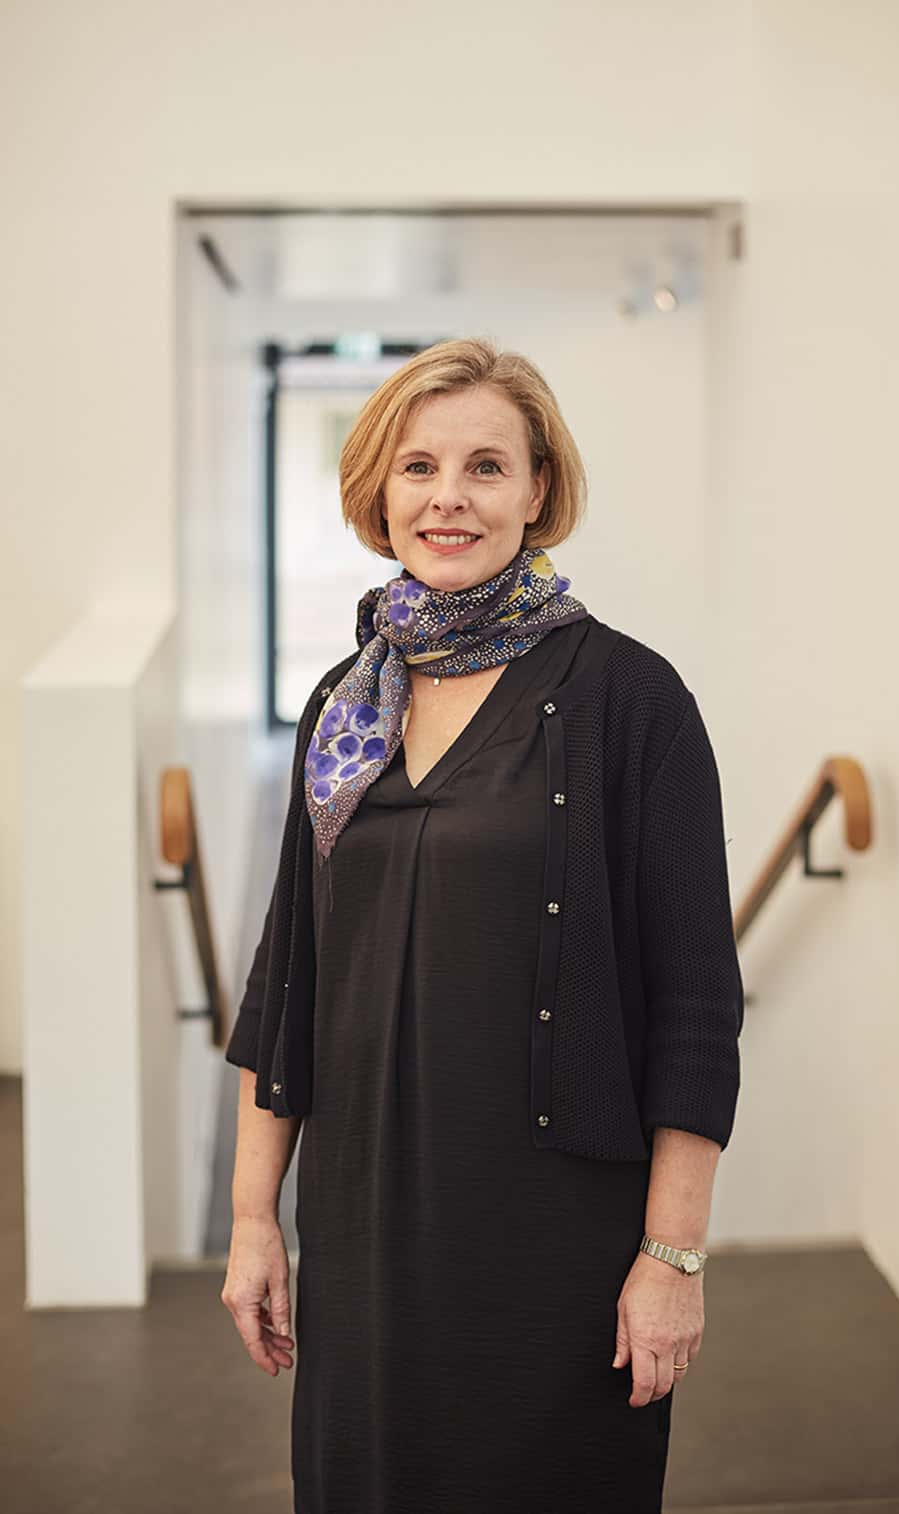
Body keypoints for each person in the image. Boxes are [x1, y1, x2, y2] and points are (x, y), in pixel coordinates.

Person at [220, 336, 744, 1514]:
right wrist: (255, 1219)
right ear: (378, 490)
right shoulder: (343, 703)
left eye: (484, 466)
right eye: (416, 467)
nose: (446, 497)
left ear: (538, 489)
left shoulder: (630, 698)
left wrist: (671, 1257)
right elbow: (287, 981)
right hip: (356, 1218)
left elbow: (697, 1007)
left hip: (551, 1228)